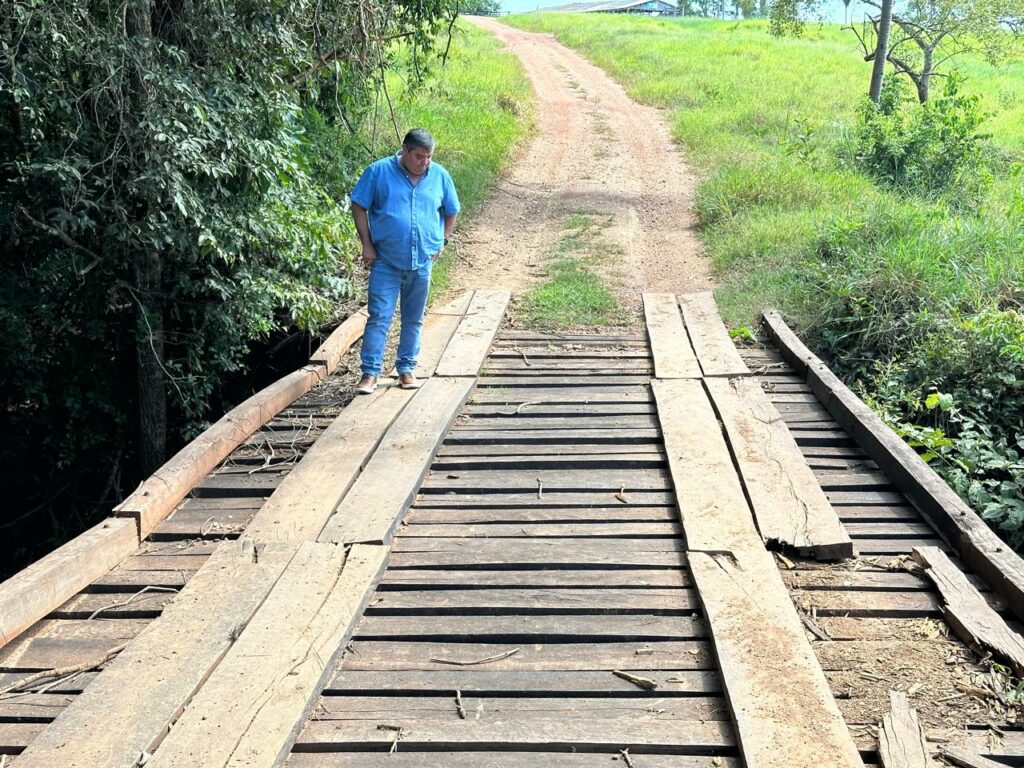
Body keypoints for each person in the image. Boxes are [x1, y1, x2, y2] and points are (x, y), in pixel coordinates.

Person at [350, 128, 460, 394]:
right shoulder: (378, 172)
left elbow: (451, 210)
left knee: (413, 318)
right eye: (419, 156)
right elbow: (358, 205)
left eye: (429, 157)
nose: (425, 162)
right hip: (386, 260)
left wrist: (442, 240)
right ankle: (370, 373)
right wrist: (367, 245)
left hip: (421, 261)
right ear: (405, 151)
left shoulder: (440, 176)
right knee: (379, 317)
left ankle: (406, 369)